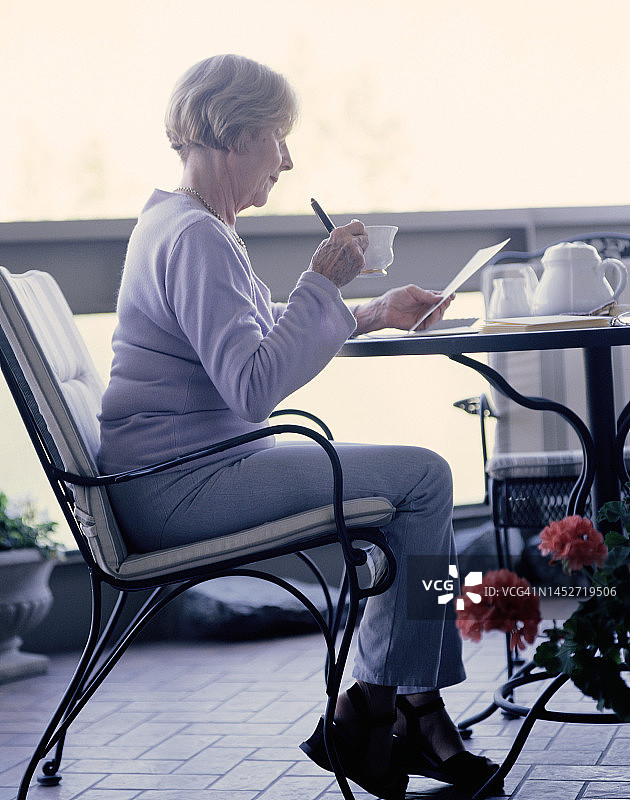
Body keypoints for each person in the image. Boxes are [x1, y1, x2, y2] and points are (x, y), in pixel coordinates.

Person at [97, 54, 501, 800]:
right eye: (278, 137)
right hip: (182, 487)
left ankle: (394, 705)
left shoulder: (186, 225)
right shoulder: (195, 238)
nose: (287, 160)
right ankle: (395, 707)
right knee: (425, 478)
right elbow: (253, 386)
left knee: (418, 484)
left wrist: (370, 310)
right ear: (234, 133)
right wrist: (321, 282)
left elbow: (251, 340)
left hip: (182, 473)